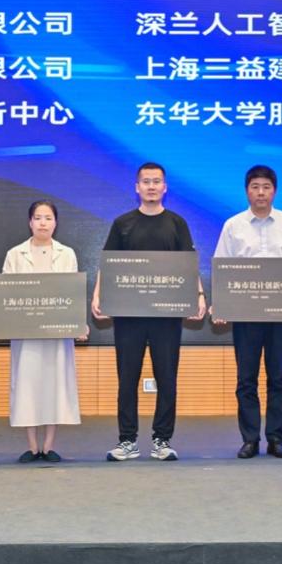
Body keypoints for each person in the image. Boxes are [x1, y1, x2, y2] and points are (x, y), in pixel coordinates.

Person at [92, 162, 206, 462]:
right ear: (137, 187)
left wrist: (199, 295)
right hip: (128, 315)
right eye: (146, 181)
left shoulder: (177, 223)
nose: (151, 186)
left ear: (165, 187)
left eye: (157, 181)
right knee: (127, 378)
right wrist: (98, 295)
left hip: (166, 316)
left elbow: (188, 263)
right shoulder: (122, 223)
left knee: (166, 377)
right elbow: (108, 263)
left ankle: (162, 440)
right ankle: (127, 440)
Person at [212, 165, 282, 459]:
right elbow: (222, 266)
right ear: (247, 191)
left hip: (281, 313)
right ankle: (250, 439)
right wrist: (221, 305)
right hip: (245, 313)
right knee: (246, 378)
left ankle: (276, 438)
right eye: (255, 187)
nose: (260, 192)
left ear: (274, 191)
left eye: (266, 187)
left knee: (278, 377)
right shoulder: (233, 225)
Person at [0, 200, 85, 463]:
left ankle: (49, 446)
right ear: (30, 222)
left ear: (55, 223)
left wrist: (78, 323)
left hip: (57, 333)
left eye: (48, 218)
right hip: (26, 334)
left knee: (55, 384)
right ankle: (32, 446)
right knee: (27, 385)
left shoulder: (67, 254)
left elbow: (73, 294)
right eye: (37, 218)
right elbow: (5, 294)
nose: (43, 223)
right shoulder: (15, 254)